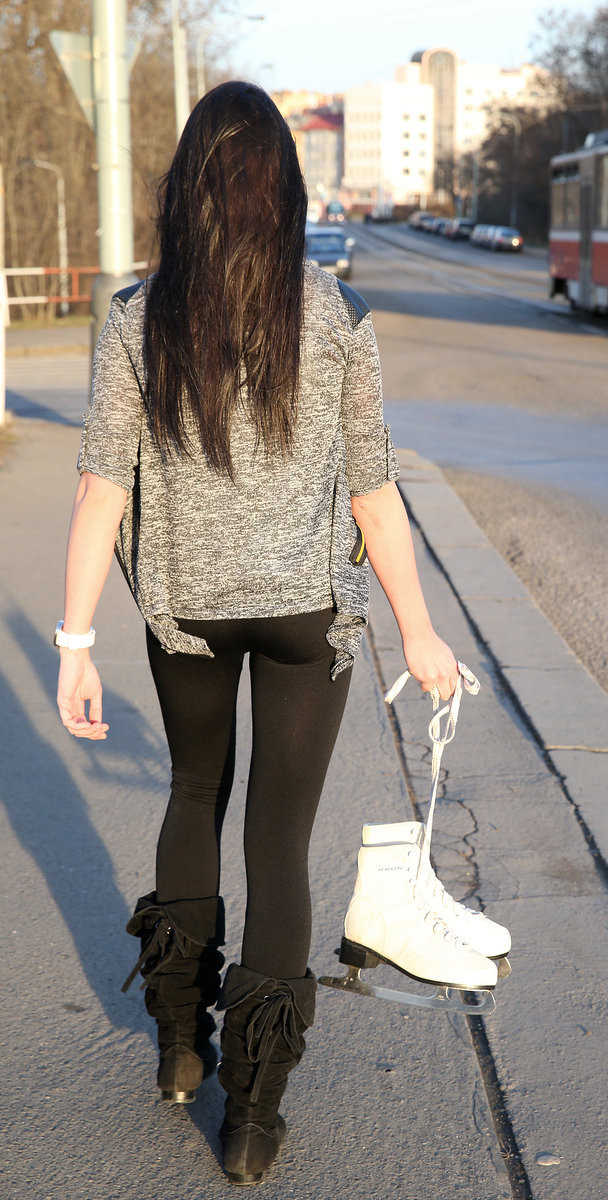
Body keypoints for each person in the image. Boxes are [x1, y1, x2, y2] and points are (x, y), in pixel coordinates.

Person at [55, 81, 458, 1186]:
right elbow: (374, 494)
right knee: (277, 846)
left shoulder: (137, 318)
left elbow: (100, 492)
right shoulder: (335, 315)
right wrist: (418, 632)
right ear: (284, 188)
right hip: (306, 619)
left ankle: (181, 1050)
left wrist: (74, 643)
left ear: (185, 187)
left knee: (192, 798)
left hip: (183, 613)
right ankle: (253, 1115)